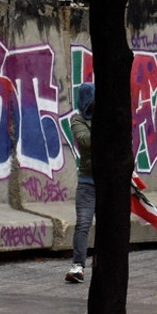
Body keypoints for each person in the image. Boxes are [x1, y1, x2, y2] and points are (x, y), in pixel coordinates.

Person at [67, 82, 95, 283]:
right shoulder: (78, 120)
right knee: (83, 224)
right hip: (88, 182)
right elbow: (86, 141)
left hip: (109, 182)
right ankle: (78, 266)